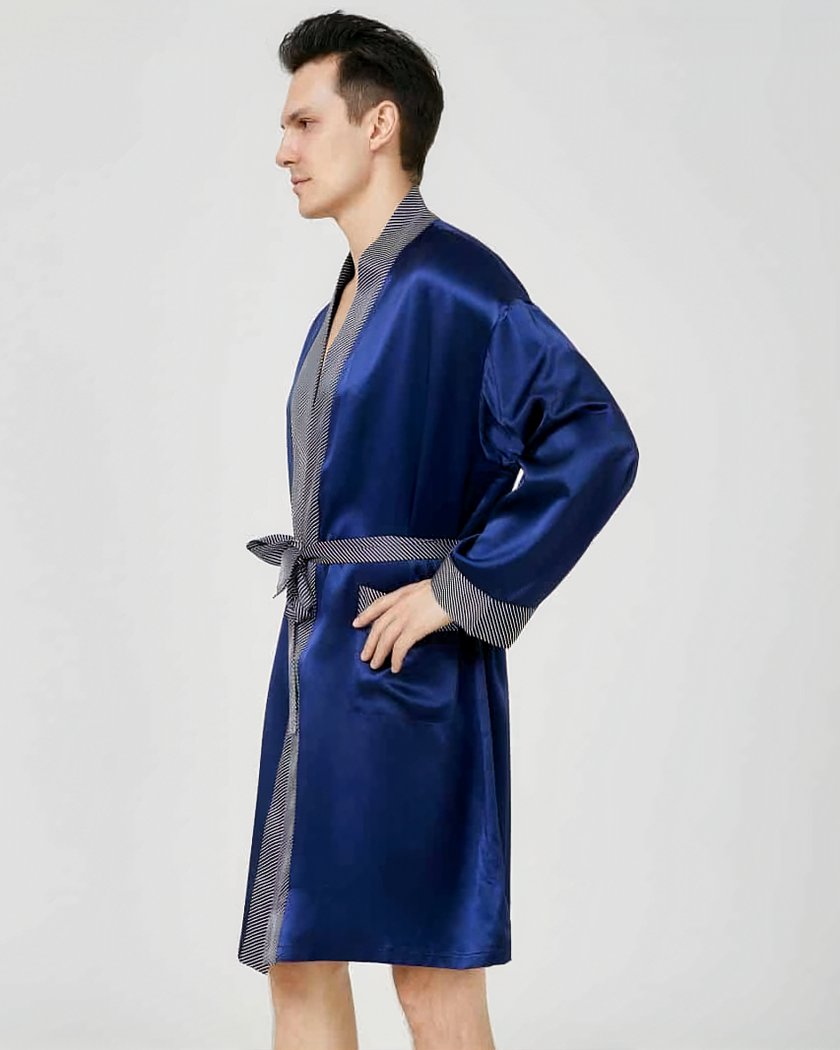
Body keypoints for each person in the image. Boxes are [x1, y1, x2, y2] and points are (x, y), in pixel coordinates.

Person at [238, 11, 640, 1050]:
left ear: (379, 125)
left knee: (430, 974)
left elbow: (595, 440)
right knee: (298, 955)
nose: (282, 149)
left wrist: (460, 591)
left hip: (408, 671)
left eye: (303, 122)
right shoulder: (345, 296)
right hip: (320, 658)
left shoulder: (456, 283)